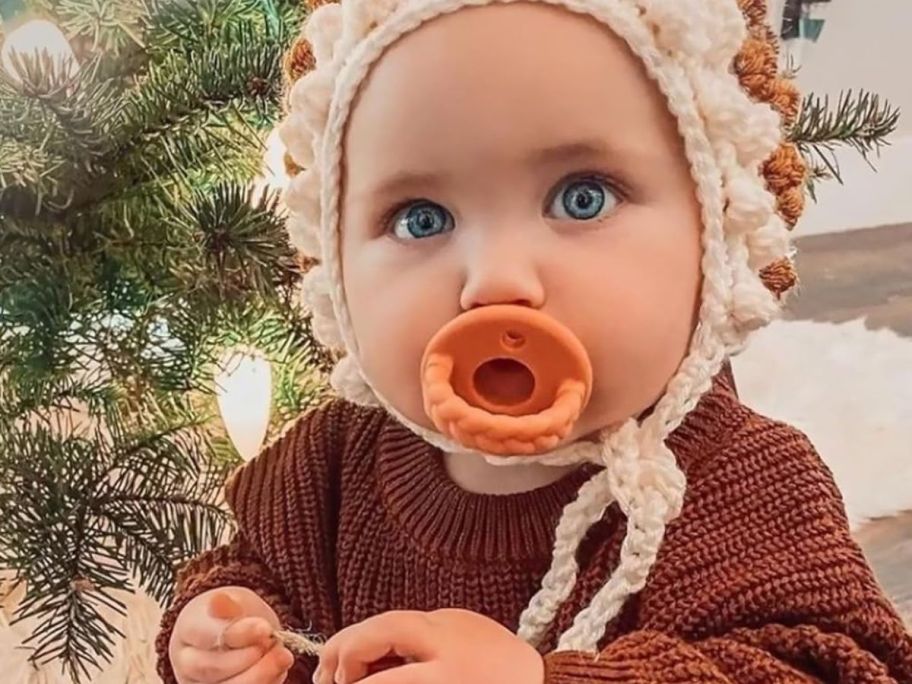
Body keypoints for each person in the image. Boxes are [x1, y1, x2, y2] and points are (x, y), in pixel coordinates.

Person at [155, 0, 912, 682]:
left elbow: (840, 665)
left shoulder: (742, 482)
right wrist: (225, 623)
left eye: (582, 198)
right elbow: (254, 570)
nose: (496, 280)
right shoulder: (328, 463)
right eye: (421, 218)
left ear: (715, 233)